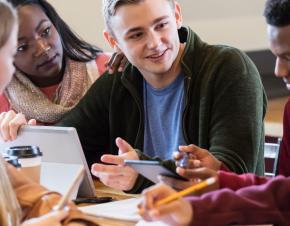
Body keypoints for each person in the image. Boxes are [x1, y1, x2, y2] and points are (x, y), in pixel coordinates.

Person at [0, 0, 267, 193]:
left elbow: (231, 174)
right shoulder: (119, 78)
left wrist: (141, 174)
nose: (154, 42)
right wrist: (18, 136)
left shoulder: (229, 67)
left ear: (177, 15)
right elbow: (67, 143)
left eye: (161, 25)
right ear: (113, 41)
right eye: (136, 34)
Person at [139, 1, 290, 225]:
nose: (278, 70)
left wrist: (197, 209)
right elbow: (281, 195)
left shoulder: (229, 67)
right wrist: (218, 182)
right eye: (276, 56)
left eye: (288, 57)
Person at [0, 1, 100, 225]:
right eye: (19, 48)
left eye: (46, 31)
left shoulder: (110, 70)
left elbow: (38, 199)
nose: (43, 48)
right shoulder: (4, 104)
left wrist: (69, 218)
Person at [0, 0, 111, 125]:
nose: (43, 49)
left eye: (46, 31)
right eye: (22, 47)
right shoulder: (3, 98)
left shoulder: (110, 67)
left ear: (55, 23)